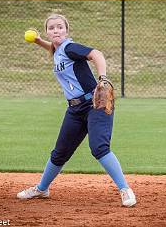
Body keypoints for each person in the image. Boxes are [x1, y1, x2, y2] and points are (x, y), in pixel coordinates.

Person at [17, 14, 136, 207]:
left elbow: (96, 54)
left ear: (66, 30)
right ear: (47, 31)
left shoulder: (70, 47)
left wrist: (103, 78)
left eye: (60, 27)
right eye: (51, 28)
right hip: (74, 109)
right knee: (60, 152)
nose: (56, 30)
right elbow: (53, 49)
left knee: (99, 147)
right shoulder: (58, 51)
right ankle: (42, 189)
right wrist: (39, 41)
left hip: (94, 104)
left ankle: (125, 189)